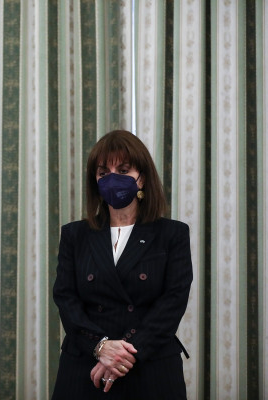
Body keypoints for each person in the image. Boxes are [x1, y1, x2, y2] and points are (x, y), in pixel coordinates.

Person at [51, 130, 192, 399]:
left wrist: (123, 355)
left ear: (143, 178)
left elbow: (173, 301)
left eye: (124, 170)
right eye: (103, 172)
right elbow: (65, 298)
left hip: (150, 365)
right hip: (85, 365)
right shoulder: (75, 235)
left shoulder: (172, 234)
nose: (113, 178)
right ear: (95, 181)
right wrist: (101, 347)